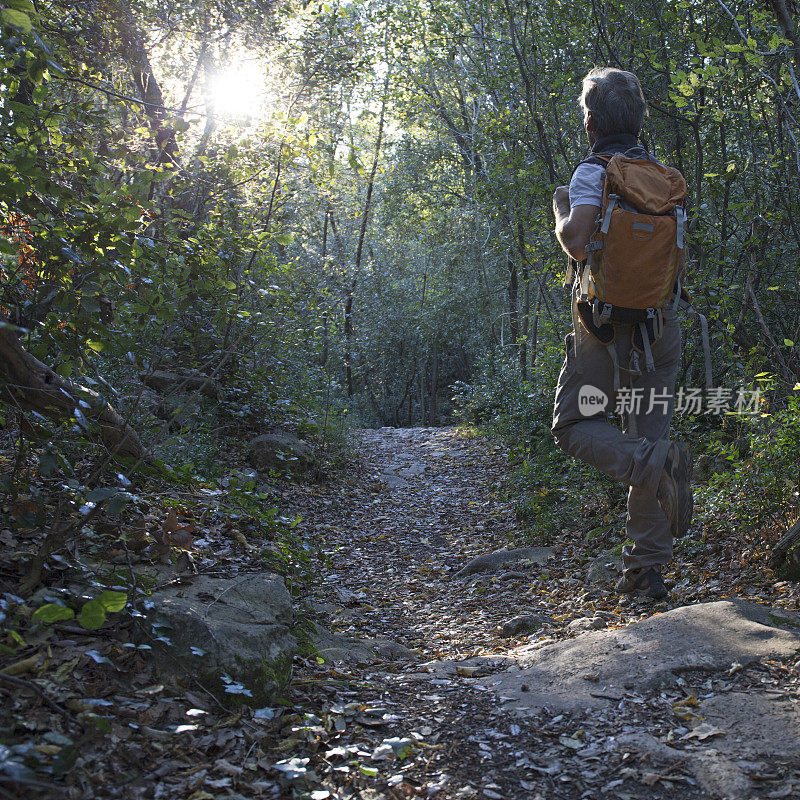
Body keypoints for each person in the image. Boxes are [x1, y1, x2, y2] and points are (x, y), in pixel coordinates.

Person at [551, 67, 692, 600]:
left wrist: (561, 207)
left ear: (590, 125)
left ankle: (652, 464)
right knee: (650, 432)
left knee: (573, 425)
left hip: (603, 329)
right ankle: (646, 569)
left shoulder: (595, 173)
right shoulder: (664, 176)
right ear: (639, 120)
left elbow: (579, 243)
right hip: (660, 325)